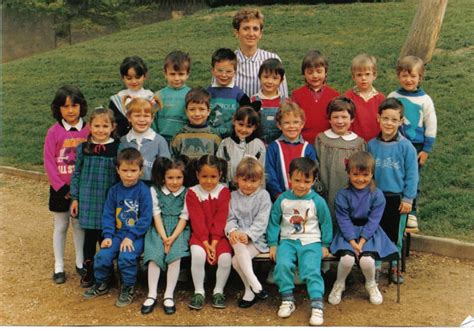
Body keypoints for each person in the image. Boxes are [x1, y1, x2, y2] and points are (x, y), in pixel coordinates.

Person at [267, 157, 332, 326]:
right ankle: (287, 299)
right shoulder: (283, 200)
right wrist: (273, 244)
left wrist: (325, 244)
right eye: (297, 180)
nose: (301, 185)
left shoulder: (317, 201)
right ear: (289, 178)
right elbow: (274, 222)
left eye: (306, 181)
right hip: (287, 241)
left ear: (313, 180)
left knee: (311, 269)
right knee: (282, 265)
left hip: (311, 241)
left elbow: (326, 223)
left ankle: (317, 305)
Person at [83, 148, 152, 307]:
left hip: (136, 235)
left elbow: (145, 218)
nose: (129, 175)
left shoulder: (143, 191)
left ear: (141, 171)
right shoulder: (114, 191)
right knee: (102, 256)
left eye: (133, 170)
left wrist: (131, 236)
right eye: (125, 170)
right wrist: (107, 236)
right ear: (118, 170)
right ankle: (102, 283)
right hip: (117, 234)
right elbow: (107, 215)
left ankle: (128, 287)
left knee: (126, 257)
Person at [328, 151, 398, 306]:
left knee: (366, 261)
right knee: (347, 259)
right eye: (355, 174)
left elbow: (374, 220)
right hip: (348, 232)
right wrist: (353, 241)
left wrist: (362, 241)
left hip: (369, 232)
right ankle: (339, 284)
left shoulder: (377, 195)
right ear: (348, 174)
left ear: (372, 174)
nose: (360, 179)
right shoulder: (342, 195)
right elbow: (343, 219)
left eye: (365, 175)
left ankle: (371, 284)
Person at [368, 98, 418, 284]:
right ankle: (377, 266)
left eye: (394, 119)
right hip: (376, 197)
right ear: (378, 118)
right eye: (385, 118)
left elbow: (412, 175)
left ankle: (394, 267)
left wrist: (408, 199)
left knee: (395, 234)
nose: (389, 123)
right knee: (377, 231)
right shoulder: (372, 145)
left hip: (397, 198)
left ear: (401, 121)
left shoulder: (406, 147)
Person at [43, 85, 90, 284]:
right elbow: (49, 162)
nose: (70, 110)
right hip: (60, 189)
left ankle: (80, 263)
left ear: (81, 106)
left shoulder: (89, 130)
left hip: (80, 189)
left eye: (74, 105)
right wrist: (61, 188)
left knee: (79, 225)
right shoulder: (54, 132)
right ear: (58, 109)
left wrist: (80, 189)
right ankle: (59, 265)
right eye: (65, 106)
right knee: (61, 225)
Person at [70, 107, 120, 288]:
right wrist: (75, 198)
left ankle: (107, 272)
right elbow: (76, 173)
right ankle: (89, 272)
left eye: (105, 126)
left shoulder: (117, 147)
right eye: (96, 125)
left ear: (112, 127)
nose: (100, 130)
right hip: (88, 198)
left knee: (106, 238)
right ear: (90, 126)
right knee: (89, 240)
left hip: (108, 200)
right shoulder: (84, 148)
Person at [388, 55, 437, 228]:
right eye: (404, 75)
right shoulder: (393, 96)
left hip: (416, 146)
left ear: (420, 77)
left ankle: (411, 211)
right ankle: (393, 206)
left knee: (413, 178)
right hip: (395, 144)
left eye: (413, 76)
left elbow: (431, 125)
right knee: (394, 175)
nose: (408, 80)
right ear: (398, 76)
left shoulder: (425, 100)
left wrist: (426, 150)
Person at [141, 156, 190, 315]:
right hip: (159, 228)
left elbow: (184, 217)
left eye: (178, 178)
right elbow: (156, 215)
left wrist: (172, 238)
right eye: (170, 178)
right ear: (163, 177)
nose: (174, 182)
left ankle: (169, 294)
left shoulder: (187, 193)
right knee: (154, 256)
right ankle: (152, 294)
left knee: (175, 257)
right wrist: (163, 237)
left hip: (178, 230)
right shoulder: (154, 191)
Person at [186, 155, 232, 310]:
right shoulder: (192, 192)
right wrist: (206, 243)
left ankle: (218, 291)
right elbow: (197, 220)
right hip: (200, 236)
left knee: (225, 258)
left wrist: (214, 243)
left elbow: (221, 218)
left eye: (213, 176)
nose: (209, 181)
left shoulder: (224, 191)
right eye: (204, 176)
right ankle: (199, 291)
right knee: (198, 255)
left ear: (220, 175)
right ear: (197, 175)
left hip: (219, 237)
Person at [225, 157, 272, 308]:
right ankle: (254, 285)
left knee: (235, 261)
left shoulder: (263, 196)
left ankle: (250, 287)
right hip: (238, 238)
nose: (248, 185)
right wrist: (233, 231)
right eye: (244, 180)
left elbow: (262, 221)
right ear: (237, 178)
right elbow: (230, 218)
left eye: (253, 181)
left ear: (260, 181)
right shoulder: (232, 196)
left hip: (257, 240)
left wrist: (249, 234)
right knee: (237, 245)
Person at [314, 97, 366, 223]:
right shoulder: (322, 140)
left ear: (352, 119)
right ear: (329, 119)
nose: (340, 121)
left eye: (344, 117)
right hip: (326, 191)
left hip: (350, 191)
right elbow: (316, 164)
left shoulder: (358, 143)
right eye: (336, 117)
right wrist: (318, 187)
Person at [266, 100, 317, 201]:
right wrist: (278, 195)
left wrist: (306, 194)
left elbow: (314, 174)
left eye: (296, 122)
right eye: (286, 123)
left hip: (305, 198)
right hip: (280, 198)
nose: (292, 126)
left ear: (302, 124)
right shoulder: (274, 147)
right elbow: (270, 174)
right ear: (279, 125)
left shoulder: (308, 148)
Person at [231, 8, 288, 98]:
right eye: (246, 28)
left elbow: (283, 98)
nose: (251, 33)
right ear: (237, 32)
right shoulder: (227, 61)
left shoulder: (272, 59)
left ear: (260, 33)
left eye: (255, 29)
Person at [292, 50, 340, 144]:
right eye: (310, 72)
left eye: (319, 71)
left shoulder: (335, 96)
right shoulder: (297, 95)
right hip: (303, 142)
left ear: (325, 72)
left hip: (328, 142)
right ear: (304, 74)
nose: (315, 76)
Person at [119, 97, 170, 185]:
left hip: (153, 186)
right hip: (128, 185)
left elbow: (166, 167)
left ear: (152, 118)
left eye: (146, 116)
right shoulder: (124, 141)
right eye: (137, 116)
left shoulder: (159, 141)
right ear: (129, 117)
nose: (142, 120)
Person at [216, 105, 266, 190]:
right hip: (229, 192)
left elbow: (261, 173)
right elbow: (219, 170)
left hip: (251, 192)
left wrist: (259, 194)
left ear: (254, 127)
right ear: (234, 121)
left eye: (248, 126)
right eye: (241, 124)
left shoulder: (259, 146)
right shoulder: (225, 144)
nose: (243, 129)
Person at [151, 51, 192, 145]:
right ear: (165, 73)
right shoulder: (158, 95)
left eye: (181, 74)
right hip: (162, 141)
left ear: (188, 74)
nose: (177, 78)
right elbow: (153, 119)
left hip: (184, 140)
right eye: (172, 74)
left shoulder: (191, 94)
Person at [109, 56, 155, 137]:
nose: (134, 81)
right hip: (124, 142)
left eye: (137, 77)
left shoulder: (151, 97)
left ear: (145, 76)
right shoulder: (117, 99)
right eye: (129, 78)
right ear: (123, 78)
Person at [344, 53, 386, 142]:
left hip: (376, 142)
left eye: (367, 74)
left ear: (374, 75)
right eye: (359, 75)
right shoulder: (347, 98)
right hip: (353, 142)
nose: (363, 78)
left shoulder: (381, 99)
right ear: (353, 77)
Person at [171, 87, 222, 160]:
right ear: (186, 111)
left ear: (208, 111)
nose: (197, 114)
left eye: (201, 109)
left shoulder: (215, 137)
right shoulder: (179, 137)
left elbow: (219, 162)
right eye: (192, 109)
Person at [207, 48, 247, 138]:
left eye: (228, 71)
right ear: (213, 71)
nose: (224, 75)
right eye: (220, 70)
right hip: (211, 140)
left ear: (235, 72)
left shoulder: (239, 95)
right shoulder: (207, 93)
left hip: (232, 140)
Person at [250, 58, 286, 144]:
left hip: (279, 145)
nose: (270, 81)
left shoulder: (285, 103)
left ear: (281, 80)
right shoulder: (253, 100)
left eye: (275, 78)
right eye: (266, 77)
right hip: (257, 144)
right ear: (259, 77)